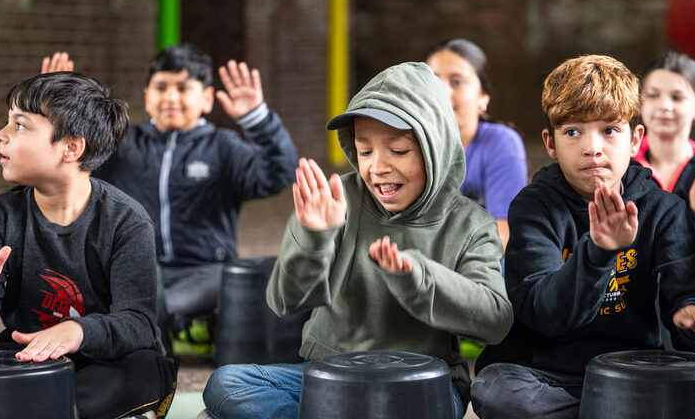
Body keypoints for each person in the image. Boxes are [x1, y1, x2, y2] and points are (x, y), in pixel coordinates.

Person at [198, 62, 513, 419]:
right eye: (365, 152)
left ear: (434, 146)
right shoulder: (336, 200)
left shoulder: (472, 224)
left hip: (420, 383)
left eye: (398, 151)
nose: (377, 167)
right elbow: (285, 301)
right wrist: (315, 237)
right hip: (329, 376)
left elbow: (495, 321)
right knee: (226, 384)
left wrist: (418, 277)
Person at [470, 55, 695, 419]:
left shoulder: (664, 210)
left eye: (610, 130)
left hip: (631, 370)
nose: (592, 148)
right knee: (494, 390)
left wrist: (692, 317)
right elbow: (544, 313)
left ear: (635, 139)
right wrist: (598, 251)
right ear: (550, 143)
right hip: (546, 373)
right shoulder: (534, 207)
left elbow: (685, 306)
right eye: (573, 132)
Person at [0, 72, 177, 419]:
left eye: (19, 126)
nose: (1, 135)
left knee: (145, 370)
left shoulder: (127, 220)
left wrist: (78, 331)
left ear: (71, 147)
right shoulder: (0, 215)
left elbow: (138, 324)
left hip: (105, 362)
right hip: (28, 355)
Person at [43, 45, 298, 344]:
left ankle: (159, 324)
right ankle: (162, 325)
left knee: (224, 285)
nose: (171, 97)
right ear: (147, 96)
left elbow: (278, 174)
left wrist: (257, 118)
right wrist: (54, 110)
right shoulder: (123, 145)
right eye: (161, 87)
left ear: (206, 99)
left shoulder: (223, 147)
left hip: (205, 272)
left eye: (183, 88)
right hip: (137, 269)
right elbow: (64, 160)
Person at [425, 39, 527, 253]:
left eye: (457, 82)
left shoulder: (502, 143)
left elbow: (505, 232)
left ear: (483, 97)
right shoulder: (409, 146)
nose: (443, 91)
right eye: (433, 82)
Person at [633, 51, 695, 282]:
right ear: (639, 104)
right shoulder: (621, 168)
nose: (664, 106)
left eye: (677, 97)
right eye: (653, 95)